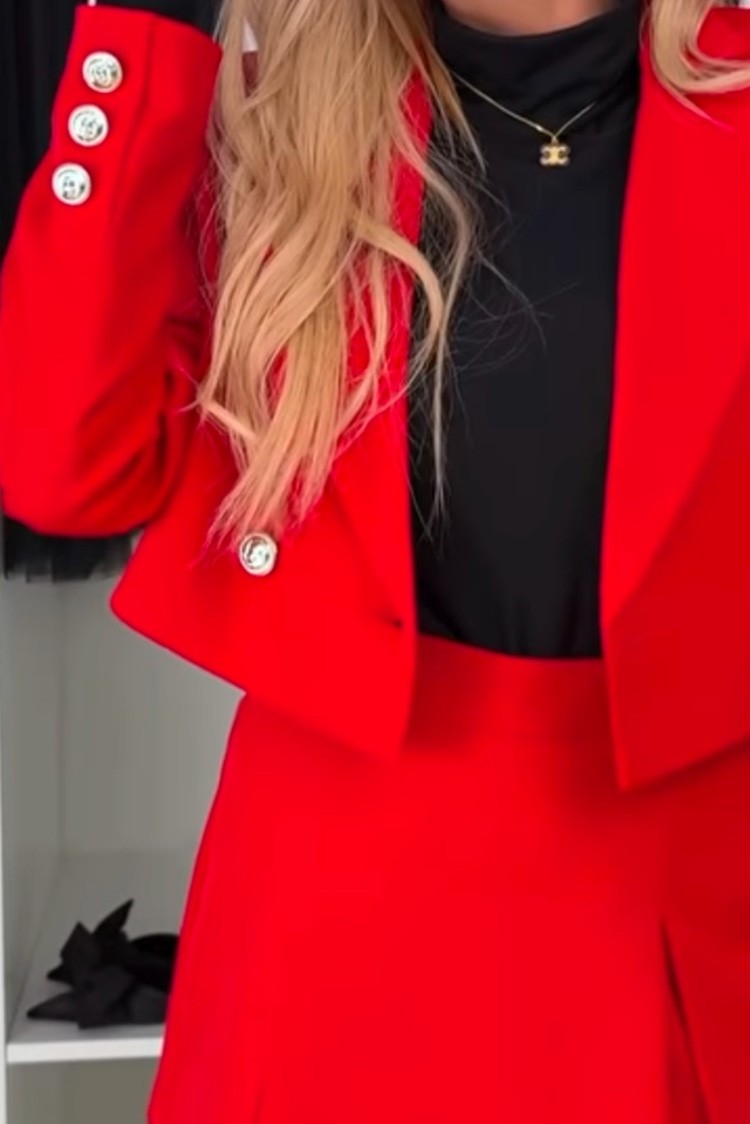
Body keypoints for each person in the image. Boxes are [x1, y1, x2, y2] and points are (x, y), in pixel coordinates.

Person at [1, 0, 750, 1119]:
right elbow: (65, 468)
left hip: (683, 914)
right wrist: (146, 38)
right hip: (324, 933)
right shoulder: (270, 126)